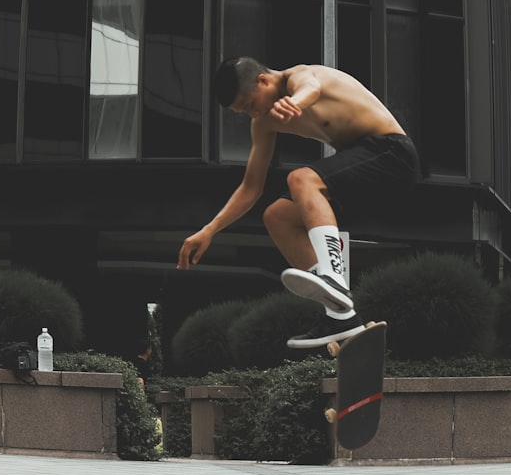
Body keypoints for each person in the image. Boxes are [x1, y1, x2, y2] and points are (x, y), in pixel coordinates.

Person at [177, 57, 420, 348]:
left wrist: (296, 102)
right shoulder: (262, 123)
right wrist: (210, 230)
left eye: (251, 105)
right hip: (362, 169)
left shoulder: (300, 76)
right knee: (277, 217)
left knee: (301, 179)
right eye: (244, 113)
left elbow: (312, 88)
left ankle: (333, 282)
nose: (253, 114)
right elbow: (251, 187)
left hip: (392, 154)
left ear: (263, 81)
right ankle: (340, 317)